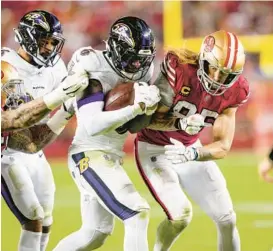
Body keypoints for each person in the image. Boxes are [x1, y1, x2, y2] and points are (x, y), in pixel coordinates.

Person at [134, 30, 250, 251]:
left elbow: (223, 146)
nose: (217, 79)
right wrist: (179, 124)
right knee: (180, 216)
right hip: (154, 148)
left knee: (227, 218)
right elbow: (145, 122)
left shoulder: (237, 90)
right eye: (214, 69)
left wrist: (193, 154)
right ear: (203, 59)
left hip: (189, 148)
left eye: (226, 75)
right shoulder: (180, 69)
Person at [53, 16, 160, 251]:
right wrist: (135, 107)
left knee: (94, 233)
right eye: (132, 58)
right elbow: (92, 124)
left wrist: (149, 110)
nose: (136, 66)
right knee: (137, 214)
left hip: (110, 153)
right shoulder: (93, 64)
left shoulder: (144, 70)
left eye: (142, 59)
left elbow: (132, 125)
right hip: (87, 153)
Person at [1, 10, 87, 251]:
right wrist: (63, 104)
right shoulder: (6, 67)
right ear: (27, 39)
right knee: (33, 219)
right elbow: (25, 137)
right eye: (43, 41)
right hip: (8, 152)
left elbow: (36, 143)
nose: (49, 48)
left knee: (46, 220)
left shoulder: (56, 67)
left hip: (35, 154)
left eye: (52, 42)